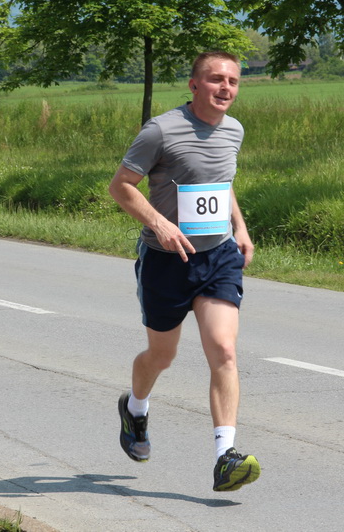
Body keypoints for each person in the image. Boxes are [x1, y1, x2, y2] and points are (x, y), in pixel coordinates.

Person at [108, 51, 259, 492]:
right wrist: (159, 223)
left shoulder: (234, 130)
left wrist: (240, 227)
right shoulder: (160, 130)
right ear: (194, 85)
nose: (225, 87)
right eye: (215, 79)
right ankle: (135, 409)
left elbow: (222, 182)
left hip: (218, 257)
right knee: (162, 356)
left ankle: (225, 457)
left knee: (224, 350)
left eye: (232, 81)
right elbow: (121, 186)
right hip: (165, 260)